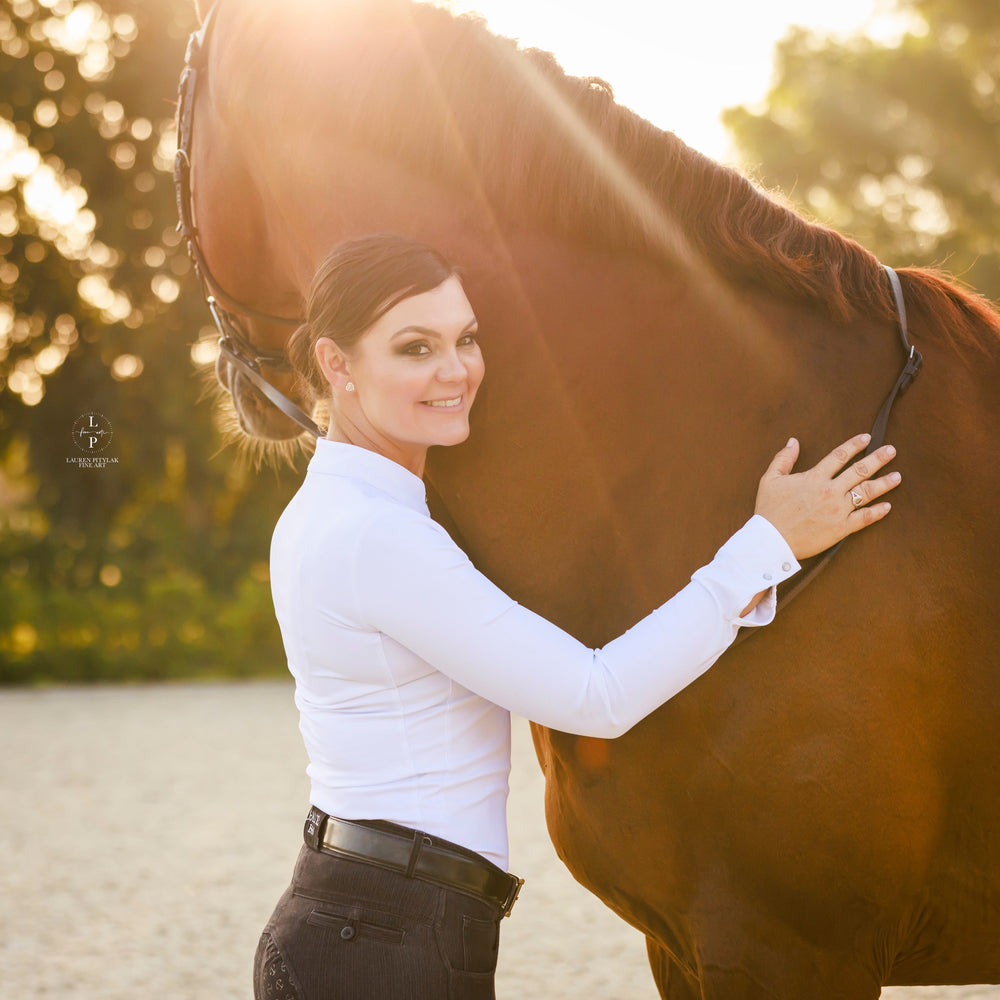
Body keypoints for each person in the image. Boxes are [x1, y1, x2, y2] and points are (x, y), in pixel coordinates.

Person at [253, 234, 901, 1000]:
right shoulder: (375, 535)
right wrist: (767, 546)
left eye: (466, 339)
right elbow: (596, 698)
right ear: (337, 365)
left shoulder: (341, 510)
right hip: (386, 945)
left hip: (374, 918)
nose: (455, 370)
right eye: (415, 347)